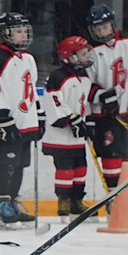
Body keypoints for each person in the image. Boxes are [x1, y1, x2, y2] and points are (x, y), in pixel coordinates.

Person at [81, 2, 128, 202]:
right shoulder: (90, 52)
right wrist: (101, 96)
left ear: (112, 25)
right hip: (106, 117)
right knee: (111, 157)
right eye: (96, 28)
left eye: (104, 26)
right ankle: (114, 200)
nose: (101, 31)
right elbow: (85, 83)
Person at [0, 9, 41, 229]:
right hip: (5, 124)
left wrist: (39, 114)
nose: (23, 35)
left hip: (25, 122)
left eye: (24, 31)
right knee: (5, 163)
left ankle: (13, 204)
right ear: (5, 34)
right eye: (17, 31)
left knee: (19, 165)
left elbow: (31, 90)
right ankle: (2, 205)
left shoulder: (28, 59)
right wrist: (2, 118)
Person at [42, 35, 97, 217]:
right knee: (65, 169)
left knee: (81, 167)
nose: (87, 56)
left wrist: (87, 123)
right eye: (83, 53)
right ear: (71, 57)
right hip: (60, 137)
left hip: (77, 136)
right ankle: (63, 200)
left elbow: (84, 104)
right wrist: (73, 119)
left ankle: (76, 200)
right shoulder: (58, 76)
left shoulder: (85, 78)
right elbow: (54, 102)